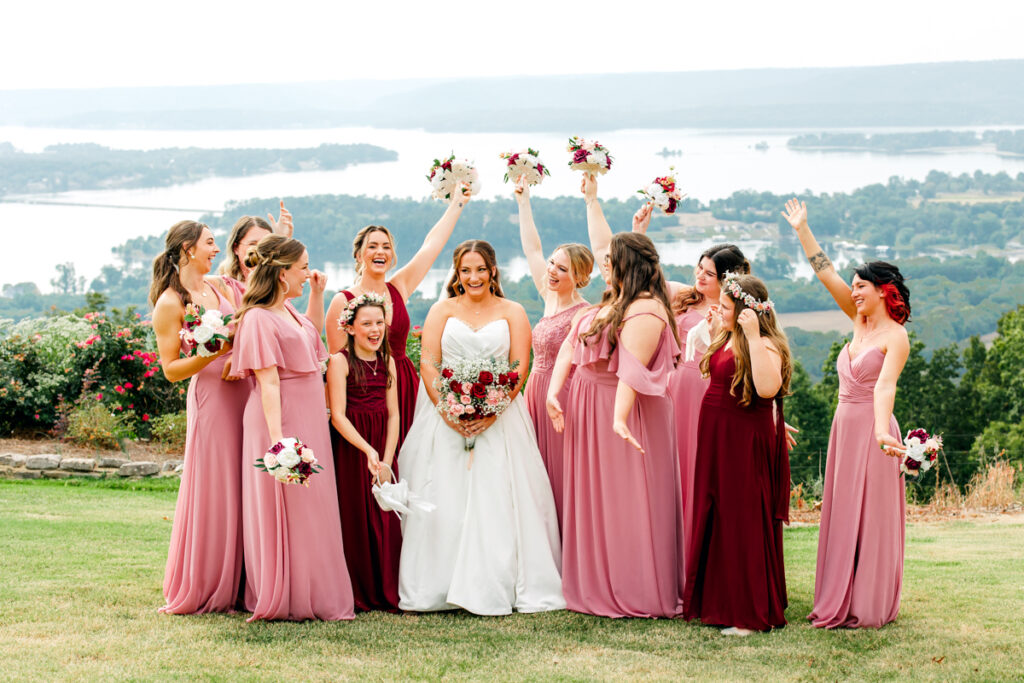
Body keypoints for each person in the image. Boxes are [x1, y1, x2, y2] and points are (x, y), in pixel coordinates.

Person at [397, 240, 565, 616]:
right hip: (444, 414)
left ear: (493, 271)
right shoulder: (442, 310)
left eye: (480, 269)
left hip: (502, 418)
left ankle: (496, 581)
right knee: (444, 491)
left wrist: (493, 409)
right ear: (457, 274)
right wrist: (447, 409)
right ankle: (436, 584)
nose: (473, 277)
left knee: (500, 495)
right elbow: (428, 362)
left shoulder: (513, 311)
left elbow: (520, 365)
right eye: (465, 270)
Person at [782, 198, 909, 629]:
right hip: (844, 425)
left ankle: (868, 601)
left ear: (883, 291)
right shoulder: (857, 322)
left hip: (875, 432)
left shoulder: (896, 336)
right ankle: (838, 593)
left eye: (861, 287)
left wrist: (879, 432)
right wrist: (802, 229)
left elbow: (885, 386)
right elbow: (824, 271)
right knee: (841, 513)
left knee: (871, 517)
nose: (853, 292)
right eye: (853, 286)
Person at [547, 232, 685, 618]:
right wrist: (553, 393)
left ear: (628, 266)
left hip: (623, 408)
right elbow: (570, 347)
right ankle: (595, 581)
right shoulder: (612, 302)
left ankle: (635, 587)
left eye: (611, 261)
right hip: (588, 405)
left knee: (628, 497)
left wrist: (620, 418)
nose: (604, 266)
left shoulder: (647, 309)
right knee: (595, 496)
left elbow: (632, 370)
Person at [231, 235, 354, 621]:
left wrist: (316, 294)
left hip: (308, 415)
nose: (308, 272)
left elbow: (311, 343)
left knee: (311, 505)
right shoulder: (256, 318)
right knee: (285, 505)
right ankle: (286, 591)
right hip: (279, 418)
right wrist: (277, 443)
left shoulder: (291, 312)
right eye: (302, 267)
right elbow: (267, 382)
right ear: (283, 273)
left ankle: (314, 589)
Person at [683, 274, 793, 635]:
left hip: (745, 439)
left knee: (743, 517)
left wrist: (752, 336)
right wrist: (720, 326)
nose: (721, 310)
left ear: (748, 312)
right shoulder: (726, 336)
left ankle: (749, 612)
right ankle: (718, 602)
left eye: (728, 308)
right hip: (716, 435)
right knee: (717, 514)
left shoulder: (765, 344)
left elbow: (766, 388)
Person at [151, 220, 248, 615]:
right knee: (216, 482)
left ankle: (244, 578)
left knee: (244, 480)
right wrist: (212, 353)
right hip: (211, 397)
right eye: (210, 243)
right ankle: (209, 580)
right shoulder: (170, 302)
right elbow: (171, 369)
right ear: (189, 248)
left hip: (242, 389)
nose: (215, 249)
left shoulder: (220, 286)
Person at [325, 187, 471, 449]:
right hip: (366, 395)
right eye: (372, 246)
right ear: (359, 255)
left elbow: (431, 246)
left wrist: (457, 203)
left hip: (405, 384)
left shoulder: (399, 286)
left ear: (392, 256)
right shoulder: (342, 300)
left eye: (386, 246)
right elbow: (338, 362)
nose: (380, 251)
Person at [667, 245, 749, 580]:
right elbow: (641, 271)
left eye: (709, 273)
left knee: (700, 469)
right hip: (673, 388)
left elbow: (746, 364)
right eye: (699, 268)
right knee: (673, 466)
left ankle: (701, 561)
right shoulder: (683, 297)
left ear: (726, 279)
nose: (700, 276)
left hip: (707, 391)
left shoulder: (735, 312)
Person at [514, 176, 593, 525]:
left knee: (561, 472)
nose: (552, 271)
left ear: (579, 277)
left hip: (564, 398)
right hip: (533, 391)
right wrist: (523, 201)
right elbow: (532, 248)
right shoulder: (547, 297)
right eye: (553, 264)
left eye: (562, 268)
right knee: (534, 472)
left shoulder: (586, 312)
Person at [326, 293, 403, 612]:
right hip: (352, 447)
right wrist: (367, 450)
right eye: (367, 323)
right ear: (351, 327)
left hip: (382, 445)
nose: (375, 329)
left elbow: (394, 414)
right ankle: (357, 588)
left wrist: (386, 458)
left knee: (385, 517)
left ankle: (387, 587)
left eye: (379, 323)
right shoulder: (339, 361)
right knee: (355, 515)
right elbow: (338, 415)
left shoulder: (388, 362)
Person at [217, 203, 327, 331]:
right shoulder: (227, 289)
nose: (259, 250)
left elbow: (310, 332)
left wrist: (316, 292)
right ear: (235, 248)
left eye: (265, 244)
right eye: (253, 244)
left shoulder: (276, 287)